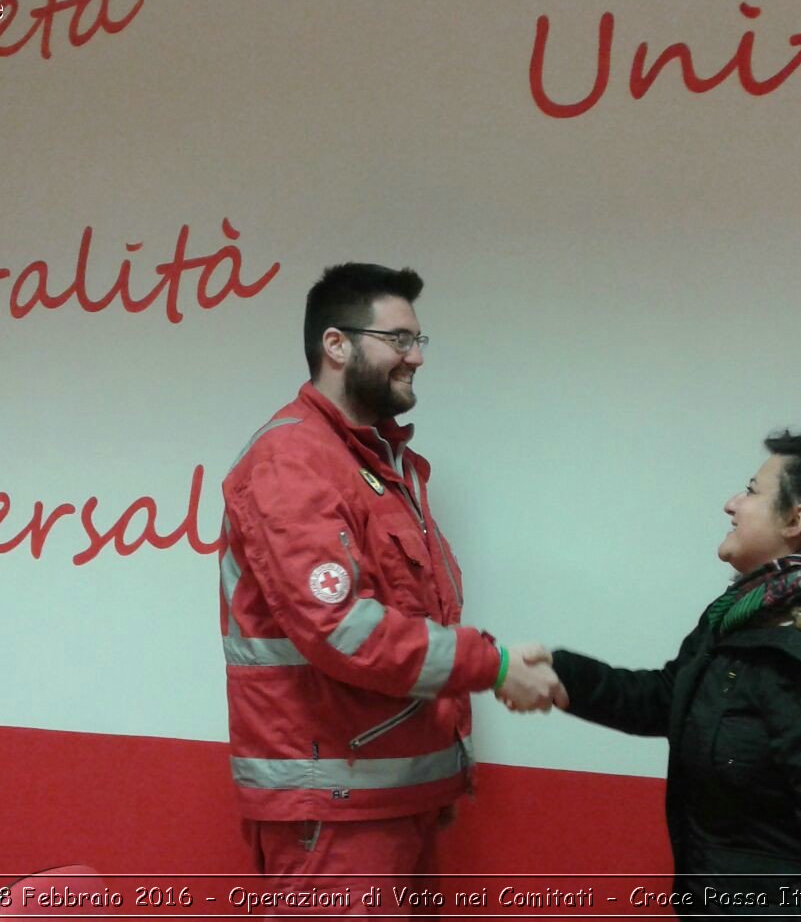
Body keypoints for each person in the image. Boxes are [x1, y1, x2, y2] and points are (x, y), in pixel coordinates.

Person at [218, 262, 564, 912]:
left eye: (418, 341)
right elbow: (341, 630)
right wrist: (492, 667)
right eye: (399, 340)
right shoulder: (292, 463)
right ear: (336, 344)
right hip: (335, 815)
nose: (416, 358)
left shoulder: (378, 467)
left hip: (391, 800)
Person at [523, 432, 801, 919]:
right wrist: (557, 674)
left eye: (751, 491)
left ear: (797, 520)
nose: (732, 504)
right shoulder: (750, 608)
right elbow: (671, 699)